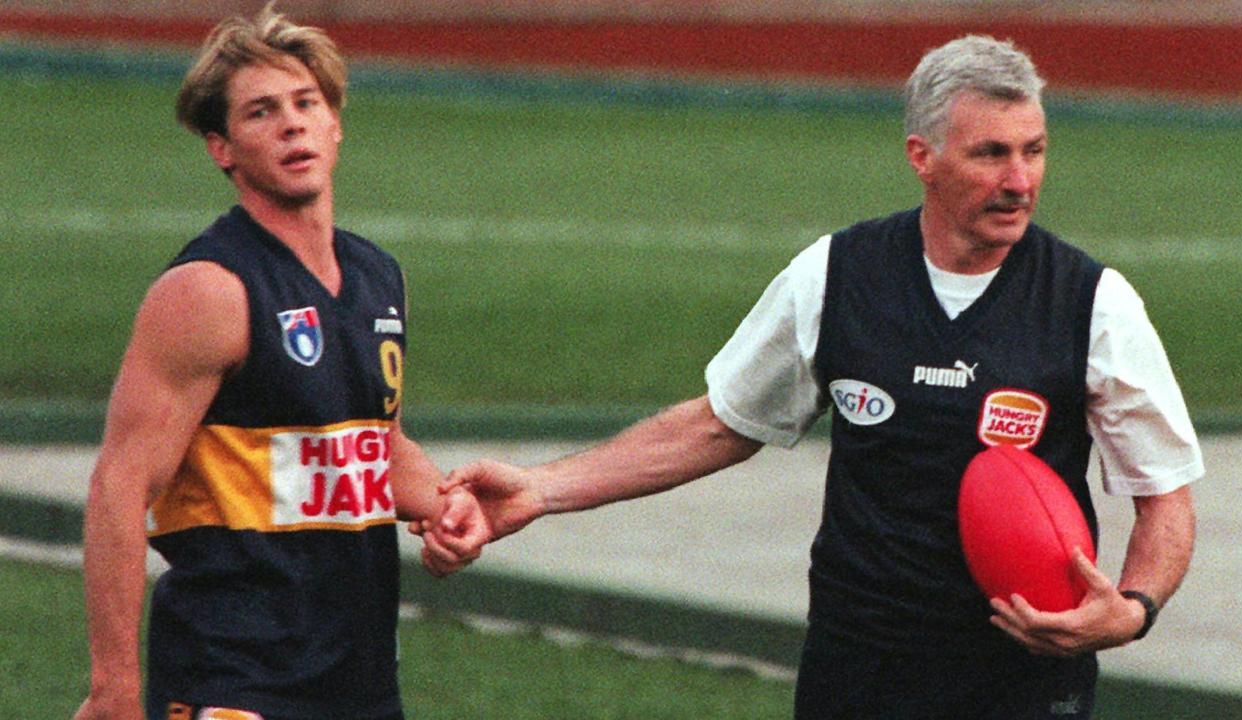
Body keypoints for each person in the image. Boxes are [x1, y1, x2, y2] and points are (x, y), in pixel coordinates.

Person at [418, 35, 1201, 719]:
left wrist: (1131, 610)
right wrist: (542, 488)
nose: (1019, 179)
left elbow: (1164, 490)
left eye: (1033, 150)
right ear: (921, 157)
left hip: (1023, 681)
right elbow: (720, 424)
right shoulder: (835, 275)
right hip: (860, 670)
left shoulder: (1094, 303)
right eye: (990, 153)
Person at [75, 5, 483, 720]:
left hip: (358, 680)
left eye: (307, 103)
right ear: (222, 148)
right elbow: (120, 484)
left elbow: (368, 444)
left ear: (336, 124)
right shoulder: (208, 290)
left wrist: (446, 507)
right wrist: (113, 686)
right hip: (232, 679)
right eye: (261, 112)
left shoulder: (379, 276)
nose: (292, 123)